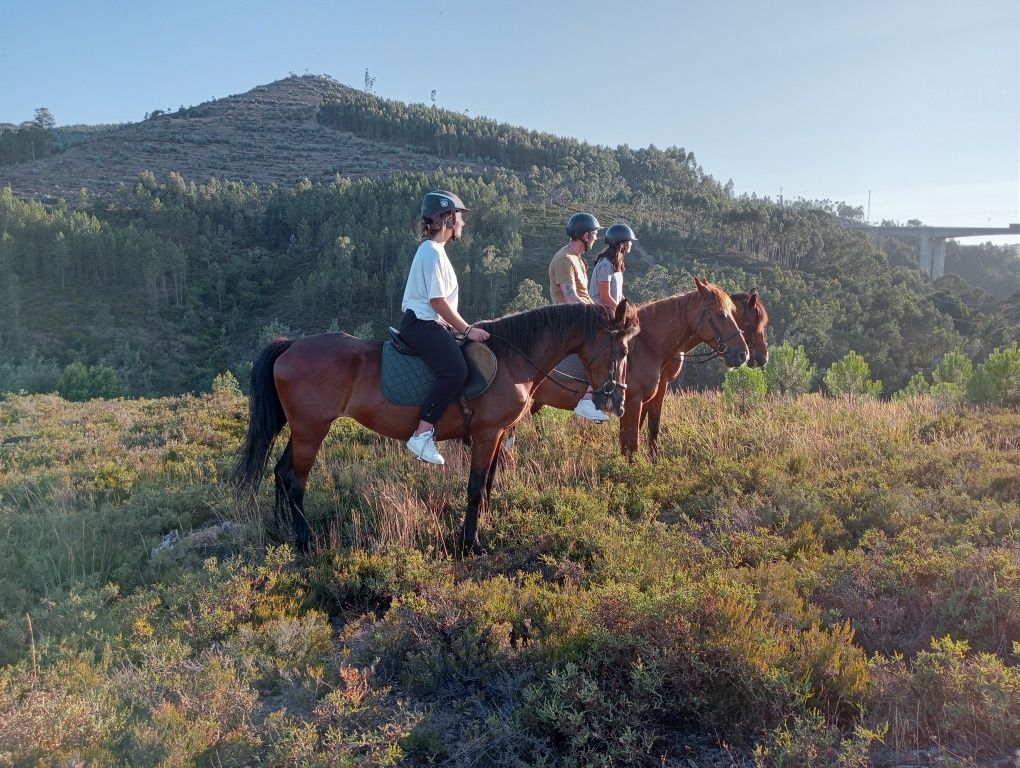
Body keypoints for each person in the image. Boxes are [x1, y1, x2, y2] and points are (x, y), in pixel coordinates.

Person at [399, 190, 490, 465]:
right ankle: (422, 434)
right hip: (423, 324)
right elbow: (437, 301)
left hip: (428, 323)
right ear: (449, 218)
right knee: (455, 370)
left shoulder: (433, 251)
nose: (463, 223)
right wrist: (466, 329)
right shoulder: (433, 253)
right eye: (460, 217)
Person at [548, 212, 608, 422]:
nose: (596, 238)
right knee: (608, 345)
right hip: (570, 319)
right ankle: (588, 400)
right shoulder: (564, 259)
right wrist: (598, 314)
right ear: (584, 235)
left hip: (581, 317)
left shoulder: (578, 260)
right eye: (594, 234)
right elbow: (571, 297)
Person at [589, 223, 637, 311]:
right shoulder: (606, 265)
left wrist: (630, 311)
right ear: (623, 243)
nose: (631, 244)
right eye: (629, 241)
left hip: (611, 312)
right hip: (600, 314)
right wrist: (622, 314)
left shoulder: (615, 264)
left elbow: (619, 295)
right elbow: (605, 297)